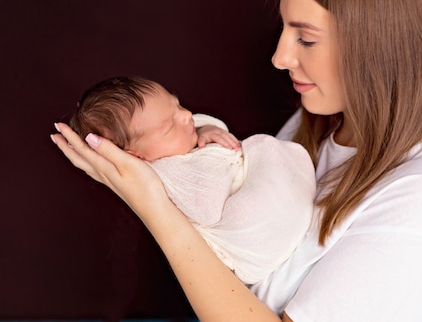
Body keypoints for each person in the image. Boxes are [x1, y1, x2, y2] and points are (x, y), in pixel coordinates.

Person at [51, 0, 422, 322]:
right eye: (283, 29)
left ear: (380, 46)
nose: (279, 57)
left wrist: (154, 206)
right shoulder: (309, 130)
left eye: (306, 39)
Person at [68, 76, 316, 285]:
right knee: (262, 153)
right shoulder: (164, 172)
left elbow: (206, 123)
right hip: (250, 243)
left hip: (271, 210)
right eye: (169, 126)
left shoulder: (180, 138)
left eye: (177, 106)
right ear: (136, 156)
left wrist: (205, 131)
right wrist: (215, 159)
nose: (187, 115)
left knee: (267, 149)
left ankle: (295, 194)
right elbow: (207, 209)